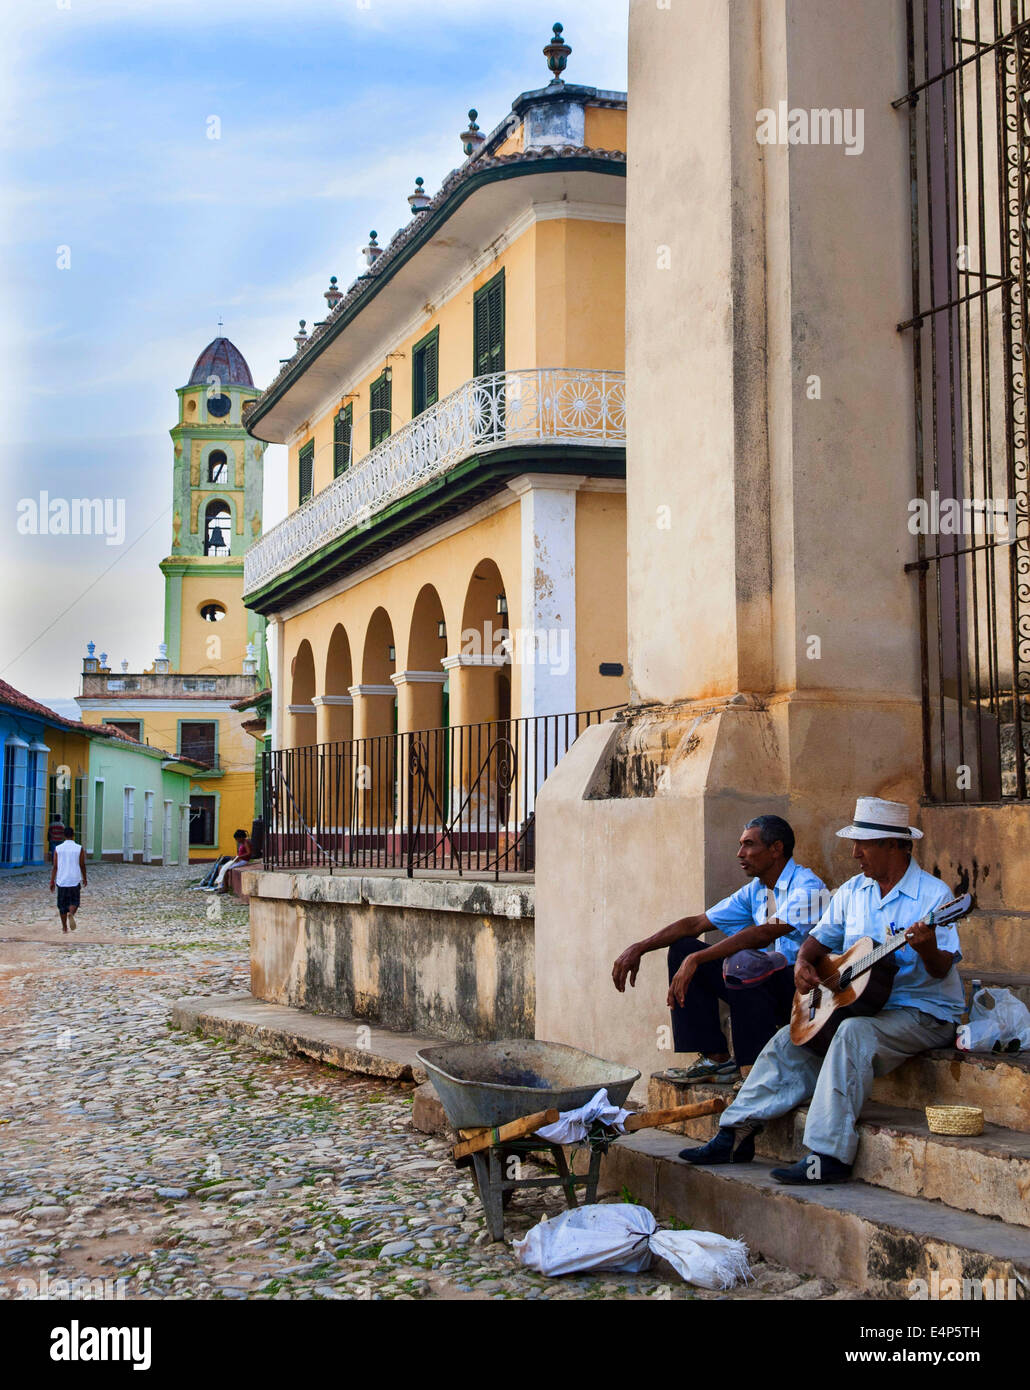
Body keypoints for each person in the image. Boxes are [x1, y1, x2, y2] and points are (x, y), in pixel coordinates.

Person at [680, 797, 964, 1183]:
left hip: (921, 1012)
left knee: (850, 1034)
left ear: (895, 846)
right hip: (863, 1006)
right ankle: (735, 1133)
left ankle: (827, 1156)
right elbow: (816, 941)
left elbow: (941, 966)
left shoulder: (934, 897)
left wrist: (927, 946)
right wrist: (801, 964)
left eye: (864, 844)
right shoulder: (853, 891)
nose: (854, 853)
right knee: (790, 1039)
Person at [612, 816, 828, 1081]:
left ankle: (753, 1073)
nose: (740, 854)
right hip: (764, 987)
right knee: (683, 948)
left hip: (801, 992)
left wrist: (698, 957)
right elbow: (696, 923)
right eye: (740, 845)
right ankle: (715, 1059)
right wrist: (640, 947)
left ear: (776, 849)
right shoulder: (757, 890)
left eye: (749, 844)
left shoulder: (809, 887)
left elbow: (764, 934)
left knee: (744, 962)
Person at [50, 826, 87, 933]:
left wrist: (52, 881)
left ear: (63, 836)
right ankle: (71, 913)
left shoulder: (58, 849)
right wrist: (84, 878)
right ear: (73, 835)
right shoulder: (79, 848)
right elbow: (82, 865)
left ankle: (64, 927)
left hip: (62, 880)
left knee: (62, 905)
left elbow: (55, 866)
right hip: (74, 880)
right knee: (74, 901)